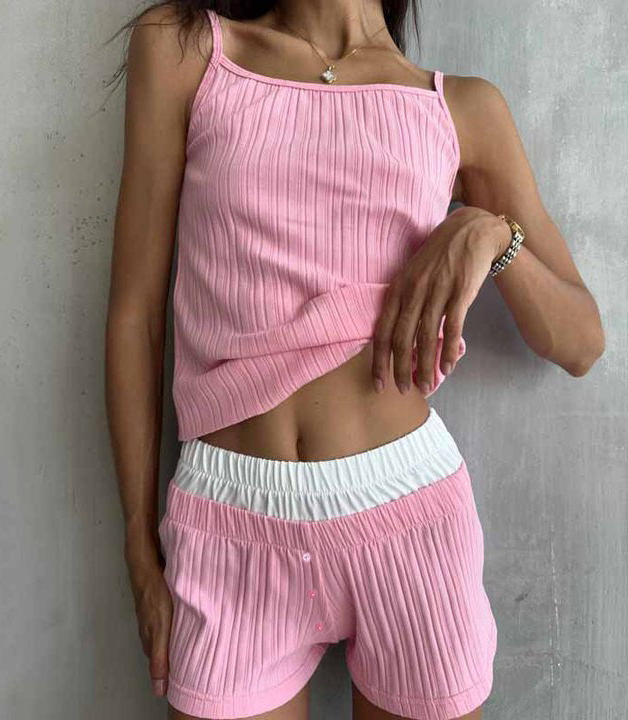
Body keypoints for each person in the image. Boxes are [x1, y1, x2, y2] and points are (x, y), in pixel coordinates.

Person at [104, 2, 605, 718]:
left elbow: (581, 342)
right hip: (226, 525)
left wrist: (487, 233)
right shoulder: (188, 50)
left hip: (411, 521)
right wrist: (137, 547)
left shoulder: (461, 108)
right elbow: (135, 313)